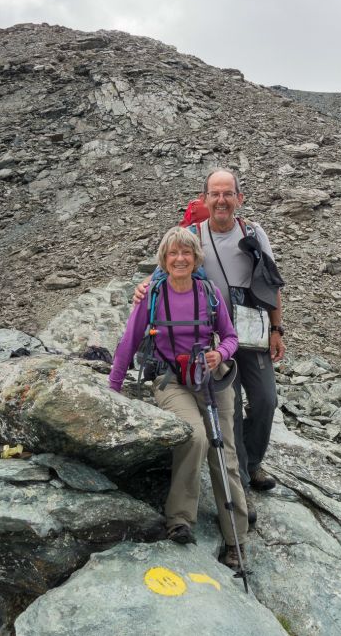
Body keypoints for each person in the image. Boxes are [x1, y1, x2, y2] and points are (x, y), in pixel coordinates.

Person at [135, 169, 286, 520]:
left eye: (228, 194)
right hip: (210, 334)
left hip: (249, 329)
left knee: (265, 399)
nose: (221, 200)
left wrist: (277, 329)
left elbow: (272, 282)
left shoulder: (253, 233)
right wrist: (144, 286)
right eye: (215, 194)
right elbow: (167, 267)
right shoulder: (192, 235)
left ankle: (253, 462)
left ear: (239, 198)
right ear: (204, 199)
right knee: (227, 409)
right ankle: (240, 477)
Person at [110, 226, 249, 569]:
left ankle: (237, 539)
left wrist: (221, 354)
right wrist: (112, 389)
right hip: (171, 381)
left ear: (195, 258)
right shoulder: (153, 295)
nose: (180, 259)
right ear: (164, 260)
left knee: (224, 451)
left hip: (211, 380)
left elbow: (231, 337)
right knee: (195, 437)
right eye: (173, 253)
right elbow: (129, 342)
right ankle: (180, 520)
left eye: (186, 253)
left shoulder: (209, 293)